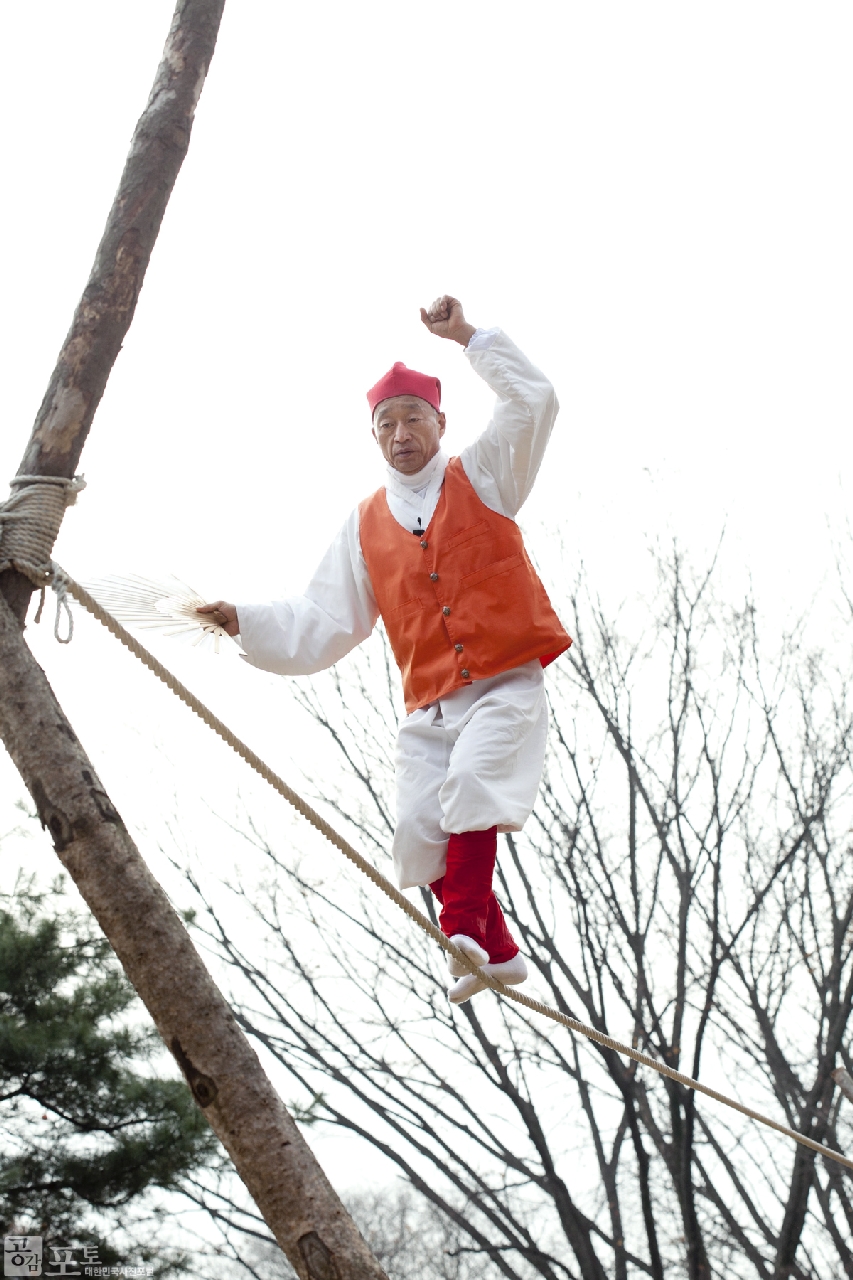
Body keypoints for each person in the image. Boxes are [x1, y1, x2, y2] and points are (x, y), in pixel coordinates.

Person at [200, 296, 571, 1003]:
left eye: (412, 418)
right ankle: (498, 949)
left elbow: (535, 401)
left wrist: (467, 336)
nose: (400, 432)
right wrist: (242, 620)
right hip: (430, 700)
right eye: (386, 423)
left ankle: (461, 932)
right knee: (417, 830)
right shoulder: (365, 523)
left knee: (471, 788)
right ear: (373, 436)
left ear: (440, 424)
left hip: (502, 684)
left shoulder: (484, 475)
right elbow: (321, 618)